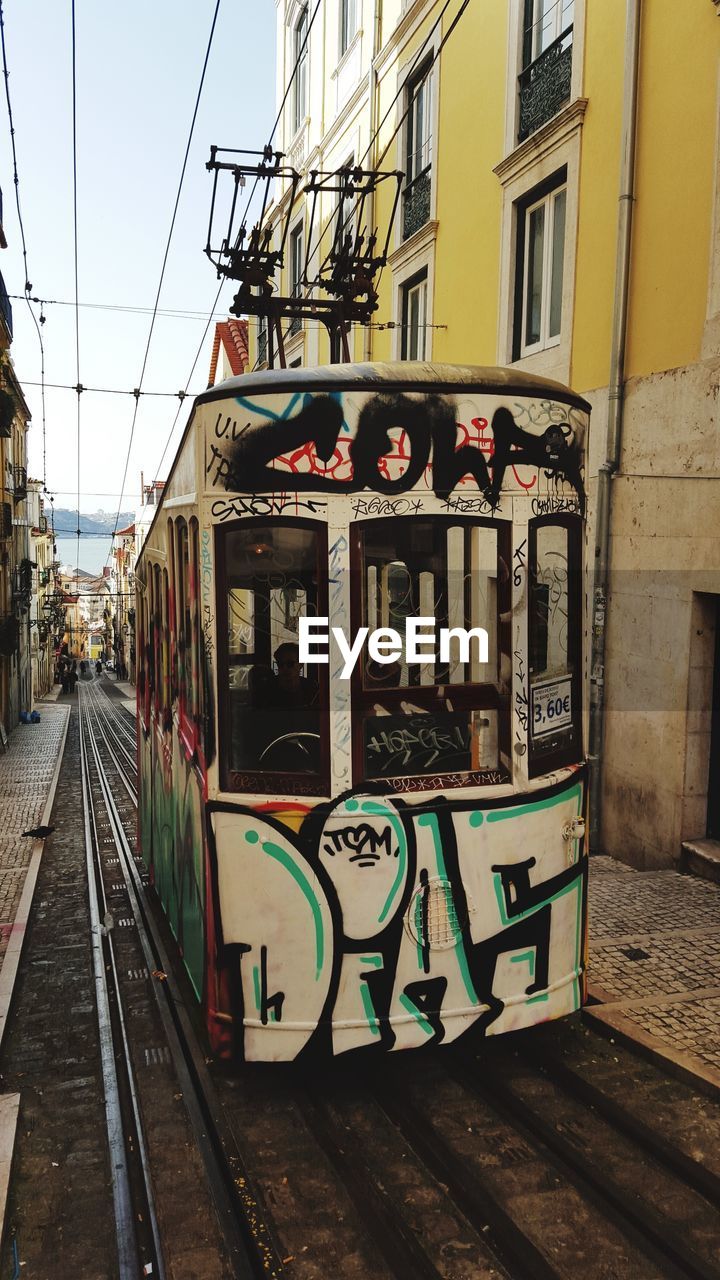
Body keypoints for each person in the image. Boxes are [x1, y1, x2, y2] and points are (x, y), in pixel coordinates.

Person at [271, 643, 317, 708]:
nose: (285, 668)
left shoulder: (311, 688)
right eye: (280, 664)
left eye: (290, 664)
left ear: (301, 664)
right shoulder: (269, 689)